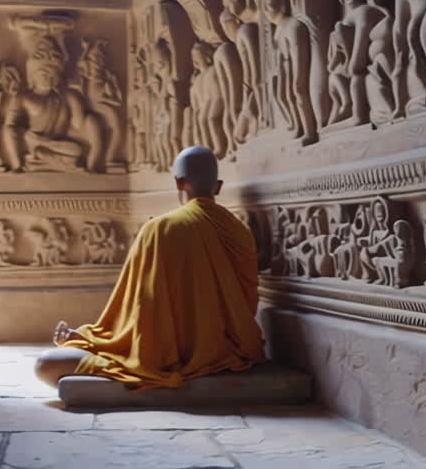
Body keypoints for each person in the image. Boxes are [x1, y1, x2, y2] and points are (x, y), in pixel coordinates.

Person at [34, 146, 265, 389]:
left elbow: (141, 315)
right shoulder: (240, 232)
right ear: (217, 186)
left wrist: (89, 340)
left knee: (45, 364)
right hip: (234, 350)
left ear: (179, 183)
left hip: (165, 357)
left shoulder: (160, 229)